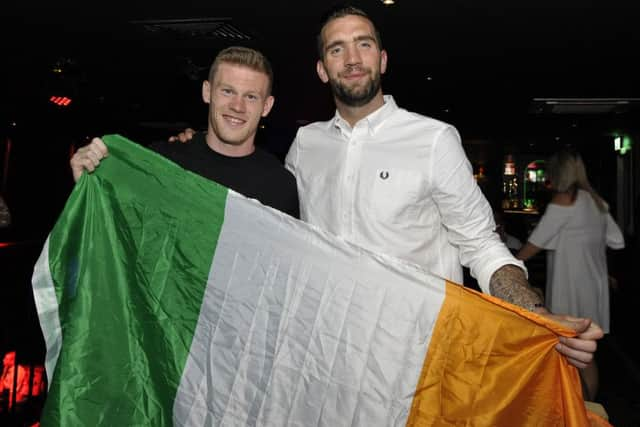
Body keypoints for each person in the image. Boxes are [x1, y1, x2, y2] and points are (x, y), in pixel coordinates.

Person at [284, 5, 603, 369]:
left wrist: (536, 313)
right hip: (330, 347)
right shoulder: (305, 144)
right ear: (322, 70)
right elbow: (288, 236)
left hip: (417, 352)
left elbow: (481, 245)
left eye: (364, 44)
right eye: (337, 49)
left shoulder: (434, 139)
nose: (353, 58)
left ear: (383, 59)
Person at [70, 46, 299, 218]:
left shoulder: (281, 186)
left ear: (266, 106)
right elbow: (114, 233)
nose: (237, 106)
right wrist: (85, 185)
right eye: (227, 91)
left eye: (250, 96)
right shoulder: (160, 161)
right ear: (207, 92)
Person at [517, 149, 625, 399]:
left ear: (557, 174)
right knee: (586, 354)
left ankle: (578, 411)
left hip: (570, 288)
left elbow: (533, 246)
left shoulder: (562, 202)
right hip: (594, 288)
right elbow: (617, 241)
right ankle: (588, 410)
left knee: (571, 354)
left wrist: (507, 264)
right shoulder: (597, 202)